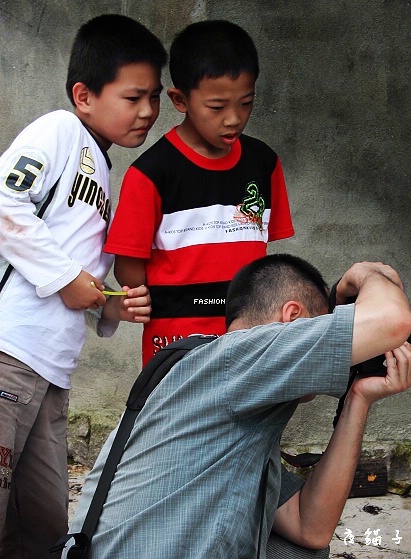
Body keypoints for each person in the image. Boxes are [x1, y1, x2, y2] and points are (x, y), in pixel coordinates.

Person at [67, 254, 411, 558]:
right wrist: (367, 273)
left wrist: (358, 400)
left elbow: (309, 528)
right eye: (321, 328)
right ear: (292, 318)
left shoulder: (227, 391)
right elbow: (394, 323)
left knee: (293, 551)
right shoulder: (235, 357)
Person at [0, 14, 167, 558]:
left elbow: (85, 281)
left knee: (44, 524)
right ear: (84, 95)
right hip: (10, 353)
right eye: (133, 96)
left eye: (154, 97)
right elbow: (3, 200)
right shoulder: (59, 132)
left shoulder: (101, 168)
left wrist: (115, 305)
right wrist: (68, 279)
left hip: (51, 374)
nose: (148, 112)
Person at [103, 20, 295, 367]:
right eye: (217, 107)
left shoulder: (264, 163)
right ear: (180, 99)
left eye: (246, 103)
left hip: (250, 336)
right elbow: (129, 270)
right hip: (177, 343)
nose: (234, 119)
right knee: (178, 419)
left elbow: (263, 255)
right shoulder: (152, 173)